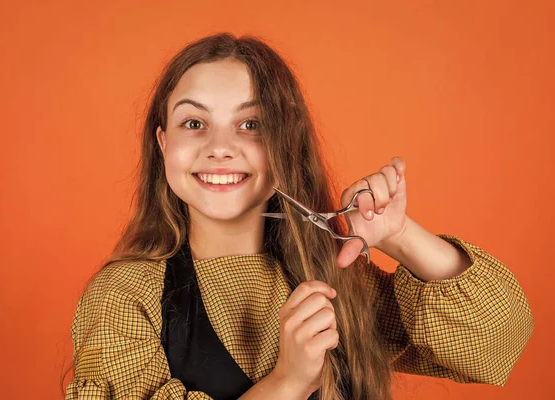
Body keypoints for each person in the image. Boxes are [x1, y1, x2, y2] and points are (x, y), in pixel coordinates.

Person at [63, 33, 534, 400]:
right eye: (194, 123)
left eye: (252, 124)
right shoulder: (123, 297)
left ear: (285, 145)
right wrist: (287, 383)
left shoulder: (337, 280)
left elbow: (496, 345)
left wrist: (399, 235)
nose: (220, 148)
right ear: (164, 144)